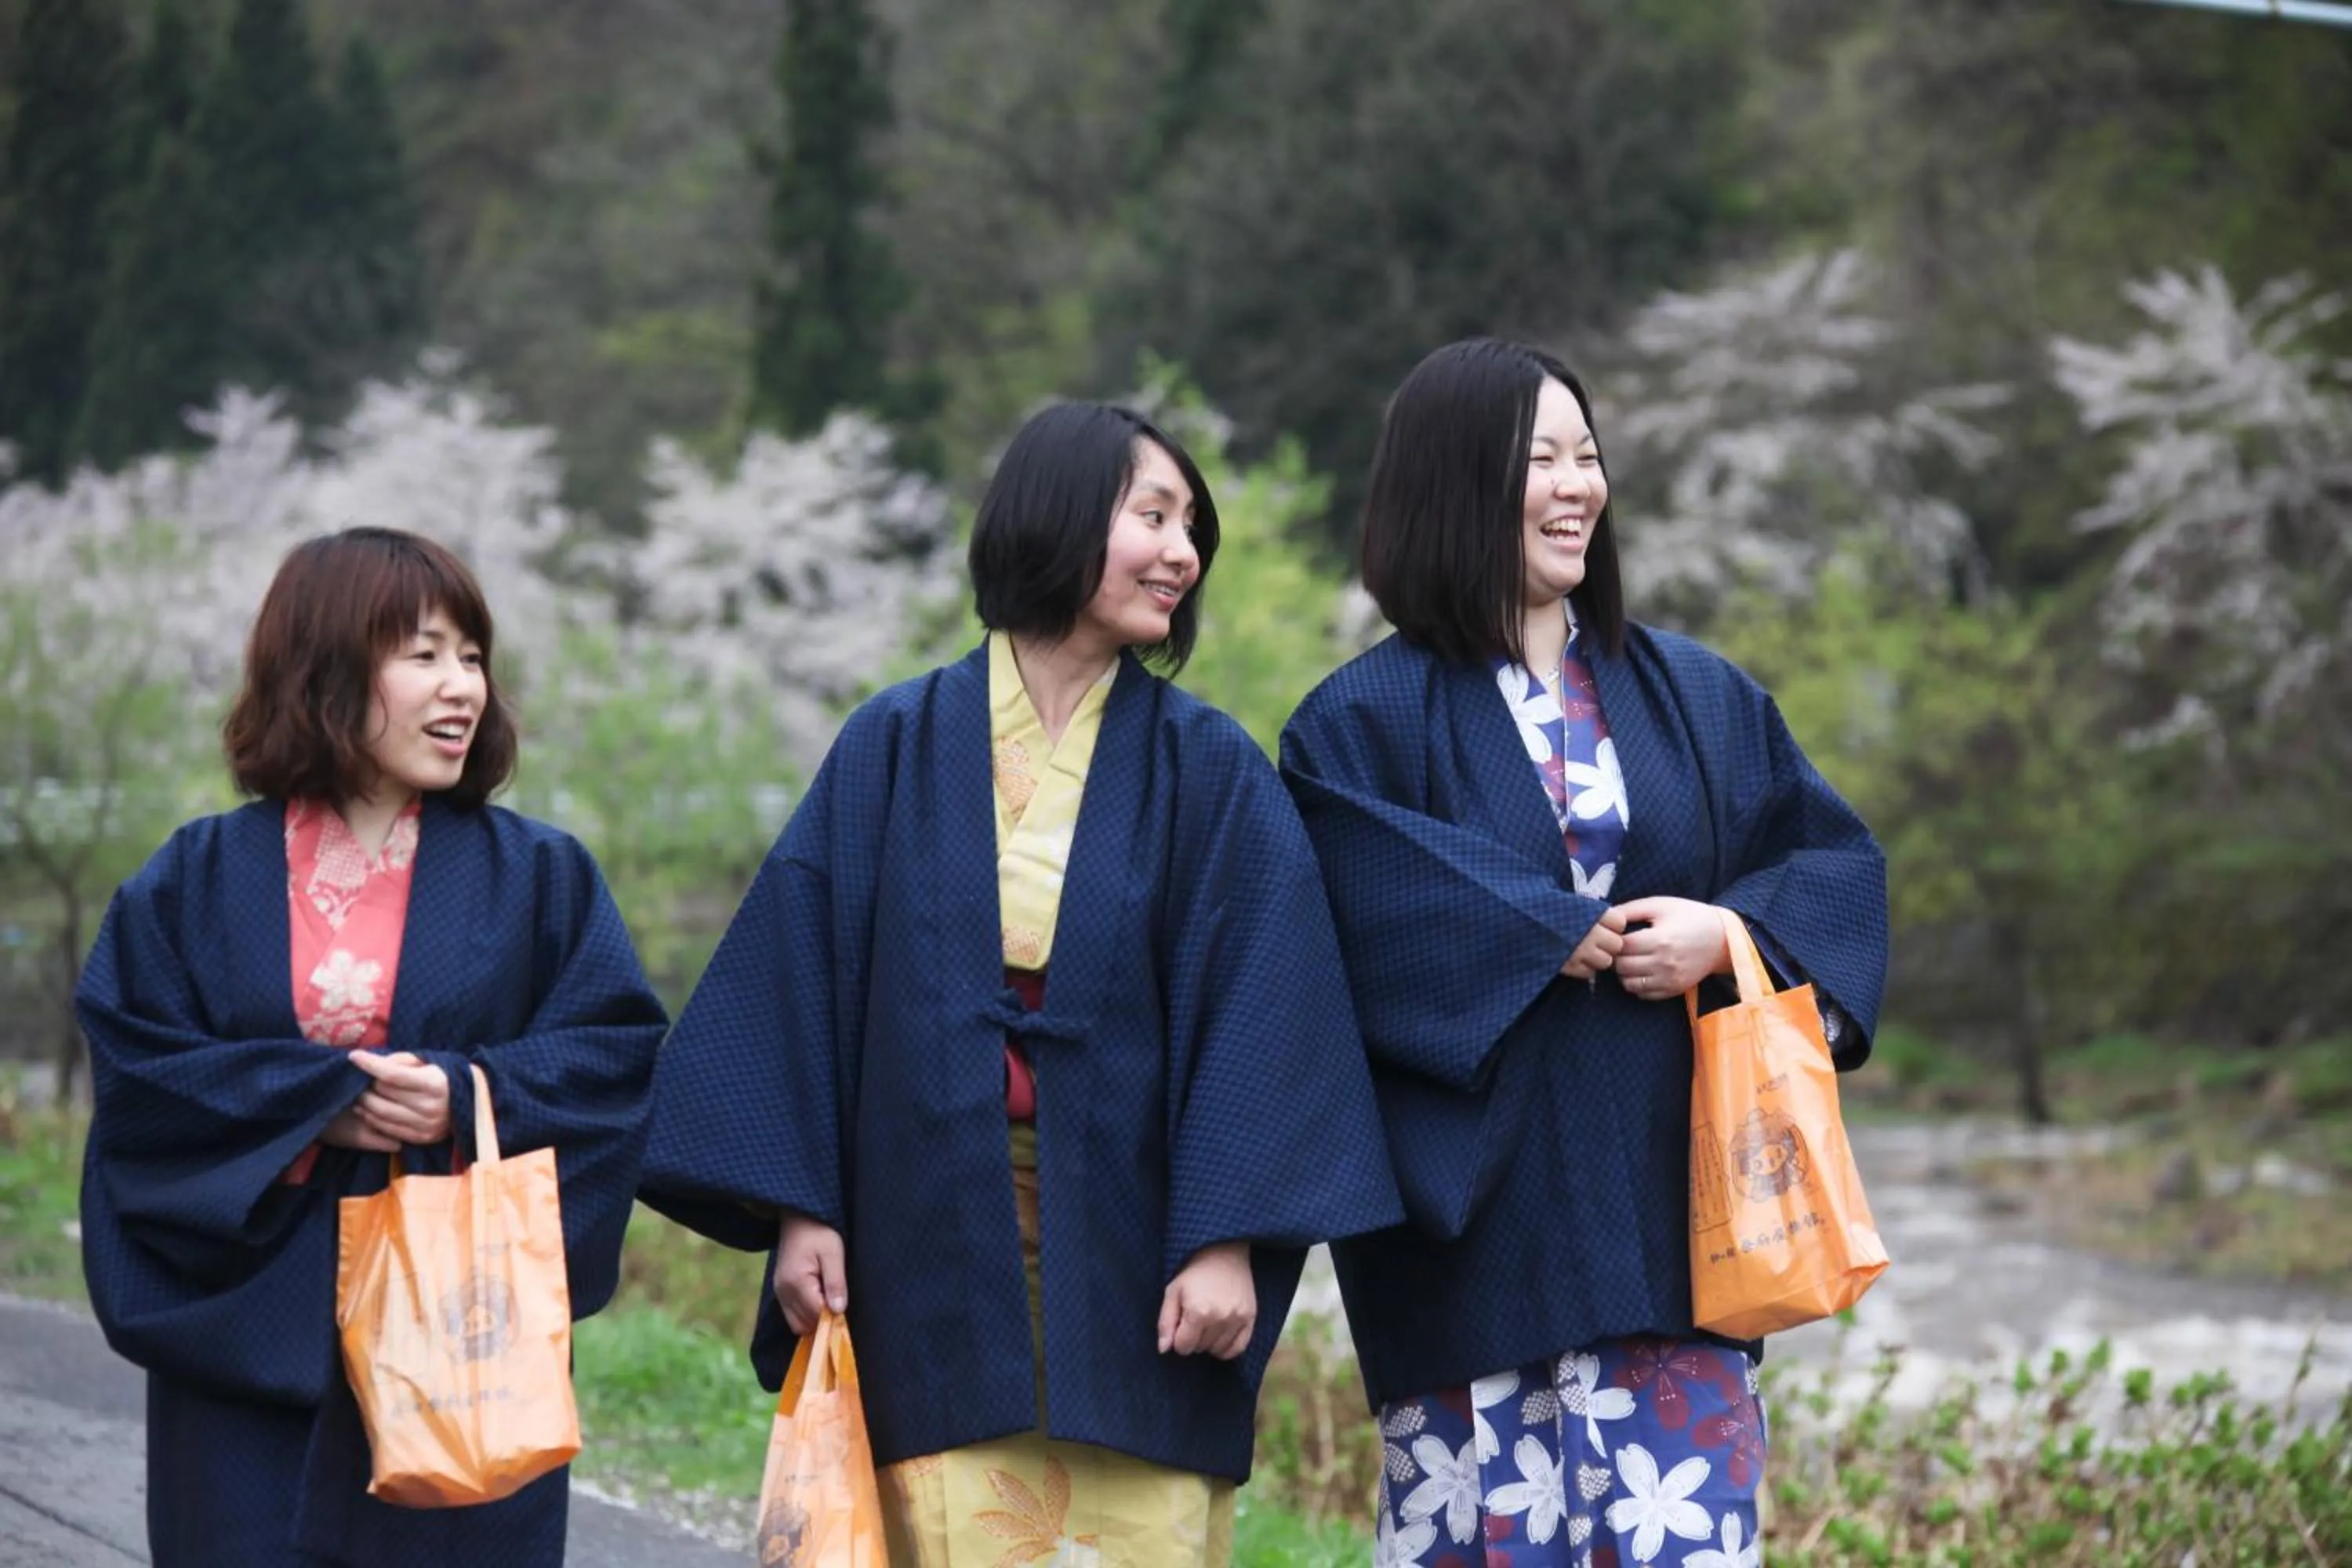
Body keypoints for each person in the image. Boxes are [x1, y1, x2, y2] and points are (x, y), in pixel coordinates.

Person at [639, 401, 1403, 1567]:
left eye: (1192, 529)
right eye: (1154, 517)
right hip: (929, 1242)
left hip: (1141, 1250)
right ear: (1058, 516)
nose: (1183, 554)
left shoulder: (1210, 768)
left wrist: (1228, 1239)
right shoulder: (894, 744)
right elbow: (795, 984)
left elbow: (1269, 1011)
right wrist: (800, 1207)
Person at [1279, 339, 1888, 1567]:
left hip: (1675, 1224)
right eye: (1541, 459)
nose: (1578, 486)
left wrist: (1729, 935)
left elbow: (1832, 864)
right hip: (1473, 1246)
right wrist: (1540, 929)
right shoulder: (1354, 725)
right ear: (1455, 482)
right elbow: (1348, 914)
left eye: (1588, 456)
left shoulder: (1697, 692)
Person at [76, 527, 668, 1568]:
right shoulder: (197, 876)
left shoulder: (540, 875)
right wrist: (313, 1102)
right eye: (423, 654)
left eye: (472, 656)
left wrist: (468, 1094)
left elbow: (617, 1059)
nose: (462, 687)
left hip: (459, 1331)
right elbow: (141, 1072)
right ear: (323, 670)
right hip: (251, 1313)